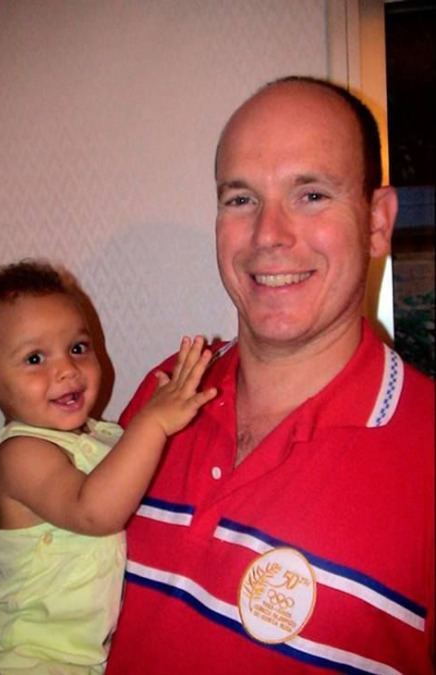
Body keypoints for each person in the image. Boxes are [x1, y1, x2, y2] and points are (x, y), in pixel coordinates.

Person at [106, 77, 435, 674]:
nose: (268, 236)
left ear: (378, 222)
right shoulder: (164, 389)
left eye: (310, 195)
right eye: (241, 199)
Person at [0, 259, 217, 675]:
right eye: (34, 358)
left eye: (77, 348)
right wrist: (153, 423)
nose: (66, 369)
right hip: (24, 657)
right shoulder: (20, 454)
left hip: (75, 659)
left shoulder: (102, 438)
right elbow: (94, 512)